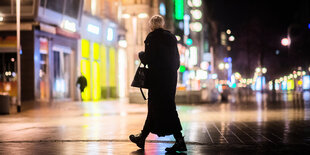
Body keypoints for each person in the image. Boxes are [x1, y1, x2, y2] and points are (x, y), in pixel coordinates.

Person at [129, 15, 186, 153]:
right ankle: (142, 138)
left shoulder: (152, 38)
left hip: (157, 80)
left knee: (163, 109)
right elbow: (177, 61)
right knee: (161, 108)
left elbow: (148, 59)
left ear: (152, 25)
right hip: (170, 80)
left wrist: (141, 54)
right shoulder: (172, 38)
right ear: (162, 24)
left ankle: (180, 141)